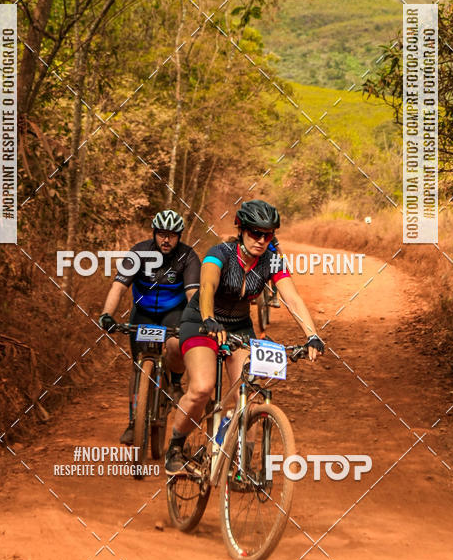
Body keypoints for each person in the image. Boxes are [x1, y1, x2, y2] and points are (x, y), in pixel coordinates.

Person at [165, 199, 324, 475]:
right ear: (241, 229)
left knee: (250, 392)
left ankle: (240, 466)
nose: (261, 240)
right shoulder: (221, 252)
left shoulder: (272, 260)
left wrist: (312, 335)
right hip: (201, 322)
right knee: (203, 387)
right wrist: (208, 318)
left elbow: (293, 298)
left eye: (268, 234)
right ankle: (175, 449)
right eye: (255, 233)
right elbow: (207, 287)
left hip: (239, 327)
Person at [99, 210, 201, 445]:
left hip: (174, 311)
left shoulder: (188, 257)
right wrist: (107, 314)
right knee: (138, 369)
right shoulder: (139, 252)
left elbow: (192, 293)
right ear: (154, 234)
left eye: (172, 236)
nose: (167, 240)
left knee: (176, 345)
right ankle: (134, 423)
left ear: (179, 237)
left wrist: (198, 320)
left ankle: (175, 383)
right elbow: (118, 286)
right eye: (162, 234)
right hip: (143, 312)